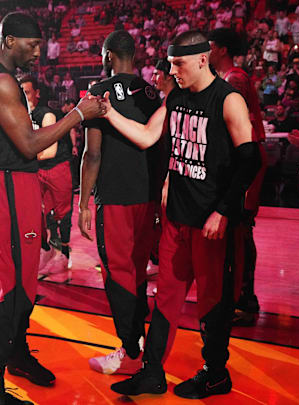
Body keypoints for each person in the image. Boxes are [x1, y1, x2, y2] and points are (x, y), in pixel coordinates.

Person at [99, 30, 261, 399]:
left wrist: (223, 211)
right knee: (165, 301)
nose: (173, 71)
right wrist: (108, 113)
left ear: (203, 59)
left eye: (179, 64)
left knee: (212, 303)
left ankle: (216, 372)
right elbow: (145, 136)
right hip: (177, 219)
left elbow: (250, 160)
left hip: (211, 223)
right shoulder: (176, 100)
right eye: (170, 64)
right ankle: (153, 372)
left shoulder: (228, 99)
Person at [0, 12, 105, 405]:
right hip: (9, 184)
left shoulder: (1, 79)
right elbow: (29, 145)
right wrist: (78, 114)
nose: (36, 55)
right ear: (10, 40)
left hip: (16, 184)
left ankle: (17, 354)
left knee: (24, 281)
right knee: (16, 288)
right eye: (31, 46)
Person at [79, 30, 164, 376]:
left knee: (117, 276)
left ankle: (130, 352)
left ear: (109, 56)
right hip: (147, 198)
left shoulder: (98, 93)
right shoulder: (153, 93)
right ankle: (138, 343)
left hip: (113, 198)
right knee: (138, 271)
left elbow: (92, 153)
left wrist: (83, 201)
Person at [209, 27, 267, 326]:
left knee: (240, 232)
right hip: (244, 160)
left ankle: (245, 300)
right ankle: (241, 297)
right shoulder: (232, 78)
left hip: (247, 162)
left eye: (209, 45)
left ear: (220, 48)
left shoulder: (235, 79)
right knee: (238, 232)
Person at [20, 76, 74, 272]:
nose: (23, 97)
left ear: (37, 93)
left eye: (26, 92)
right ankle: (49, 248)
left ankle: (65, 252)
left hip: (56, 166)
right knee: (39, 212)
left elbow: (49, 152)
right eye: (21, 93)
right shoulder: (19, 115)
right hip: (37, 168)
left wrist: (20, 158)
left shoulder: (46, 114)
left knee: (63, 212)